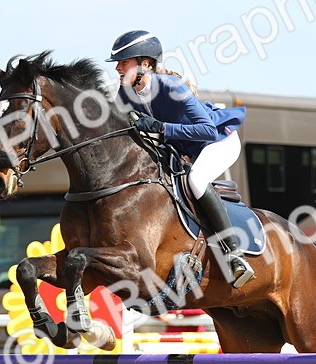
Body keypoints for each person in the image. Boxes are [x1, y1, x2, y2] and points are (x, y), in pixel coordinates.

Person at [108, 30, 255, 288]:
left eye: (124, 62)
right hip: (184, 147)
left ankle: (234, 254)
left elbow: (207, 130)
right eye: (118, 63)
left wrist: (161, 128)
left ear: (145, 63)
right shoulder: (125, 93)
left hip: (218, 141)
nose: (118, 67)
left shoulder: (171, 87)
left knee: (196, 180)